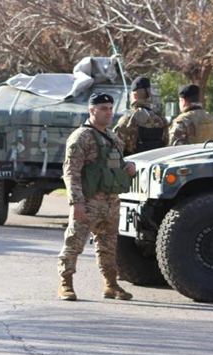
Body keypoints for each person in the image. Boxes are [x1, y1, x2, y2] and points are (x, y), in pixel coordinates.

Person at [58, 92, 136, 302]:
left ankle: (111, 285)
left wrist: (129, 167)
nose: (108, 112)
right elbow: (71, 172)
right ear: (91, 111)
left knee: (108, 246)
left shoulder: (113, 137)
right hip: (88, 202)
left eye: (110, 108)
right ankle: (66, 284)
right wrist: (76, 202)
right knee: (74, 242)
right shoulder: (81, 137)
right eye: (103, 109)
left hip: (111, 203)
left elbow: (115, 164)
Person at [112, 76, 168, 156]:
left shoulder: (128, 120)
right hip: (156, 165)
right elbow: (166, 143)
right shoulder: (161, 120)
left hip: (134, 165)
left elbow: (115, 145)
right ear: (150, 94)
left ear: (134, 96)